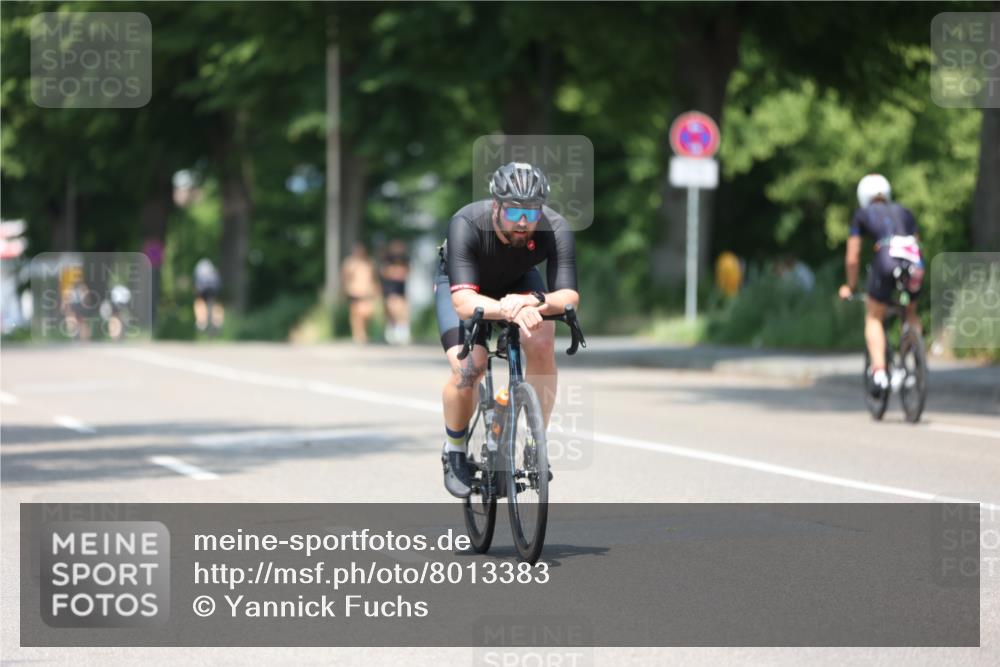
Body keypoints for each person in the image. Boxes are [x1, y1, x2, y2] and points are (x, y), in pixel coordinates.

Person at [435, 162, 579, 498]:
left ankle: (534, 442)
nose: (524, 222)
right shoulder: (467, 223)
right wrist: (509, 308)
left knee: (542, 340)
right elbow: (465, 303)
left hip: (520, 284)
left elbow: (569, 295)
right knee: (471, 366)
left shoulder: (554, 227)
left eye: (531, 212)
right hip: (462, 288)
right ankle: (454, 449)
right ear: (496, 205)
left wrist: (534, 303)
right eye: (514, 212)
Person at [838, 174, 924, 394]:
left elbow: (853, 257)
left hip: (887, 259)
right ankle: (913, 364)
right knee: (910, 312)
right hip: (914, 261)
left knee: (874, 316)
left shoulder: (863, 214)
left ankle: (879, 372)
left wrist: (851, 285)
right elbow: (916, 241)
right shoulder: (904, 211)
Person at [341, 242, 380, 344]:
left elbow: (374, 277)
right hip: (354, 291)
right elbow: (345, 277)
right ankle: (358, 335)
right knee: (356, 314)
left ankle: (364, 332)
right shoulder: (349, 263)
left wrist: (376, 289)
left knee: (367, 313)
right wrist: (345, 290)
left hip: (367, 291)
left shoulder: (369, 262)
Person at [380, 239, 412, 345]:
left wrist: (395, 272)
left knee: (402, 308)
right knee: (391, 308)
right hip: (390, 288)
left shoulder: (405, 259)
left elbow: (405, 272)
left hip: (401, 288)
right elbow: (386, 272)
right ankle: (392, 328)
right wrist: (396, 272)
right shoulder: (387, 259)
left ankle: (401, 330)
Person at [193, 258, 224, 335]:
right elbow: (218, 283)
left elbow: (197, 286)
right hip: (214, 289)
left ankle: (201, 321)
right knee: (217, 303)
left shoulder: (199, 269)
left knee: (199, 301)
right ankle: (217, 321)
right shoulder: (213, 271)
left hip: (203, 289)